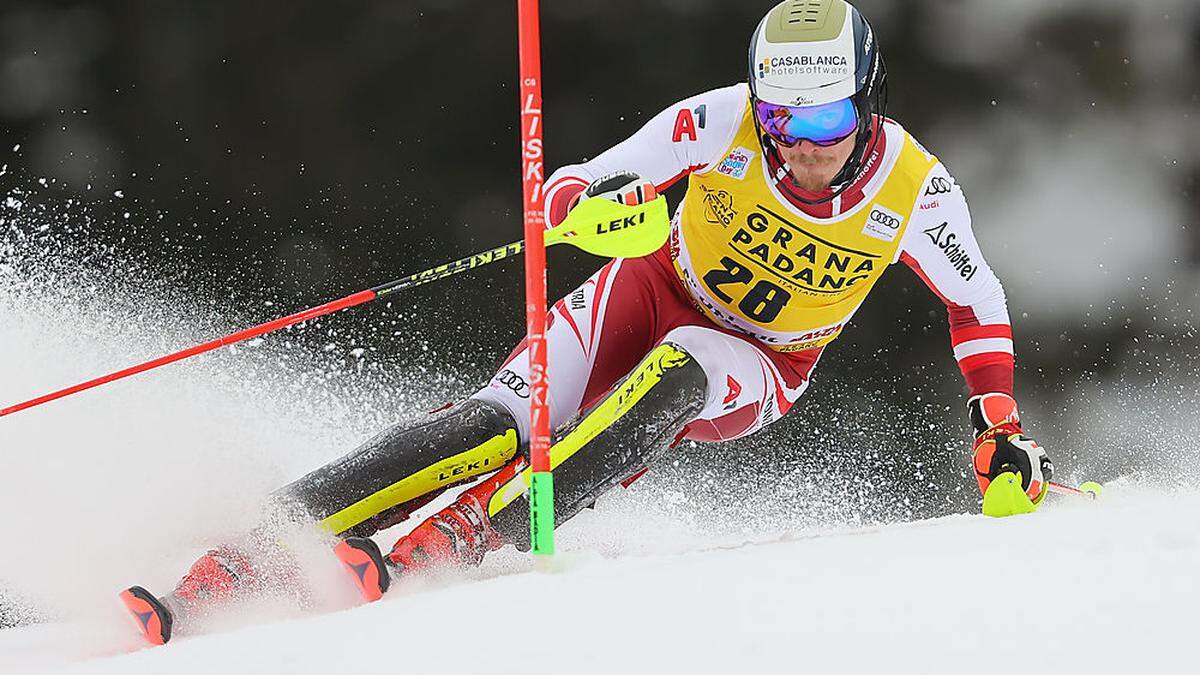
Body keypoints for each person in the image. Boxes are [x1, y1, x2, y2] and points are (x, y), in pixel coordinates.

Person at [121, 0, 1052, 645]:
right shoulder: (719, 123)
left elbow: (978, 301)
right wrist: (594, 205)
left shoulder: (915, 188)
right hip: (646, 288)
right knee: (490, 423)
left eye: (831, 118)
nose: (804, 147)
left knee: (683, 366)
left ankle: (465, 536)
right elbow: (579, 180)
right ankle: (246, 555)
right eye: (783, 117)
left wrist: (997, 423)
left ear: (869, 98)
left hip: (761, 360)